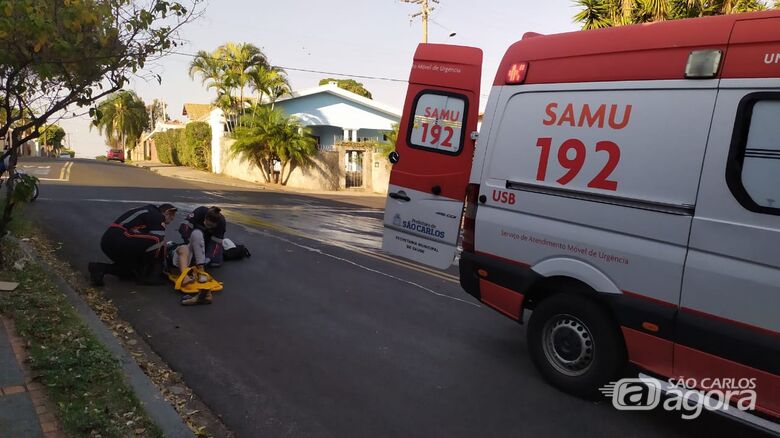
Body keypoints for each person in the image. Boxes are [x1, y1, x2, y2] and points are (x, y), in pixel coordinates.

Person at [88, 203, 178, 286]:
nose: (172, 220)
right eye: (171, 217)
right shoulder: (157, 216)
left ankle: (100, 268)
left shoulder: (147, 211)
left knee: (131, 271)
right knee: (159, 240)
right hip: (119, 237)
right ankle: (150, 276)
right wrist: (158, 266)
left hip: (109, 241)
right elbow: (160, 242)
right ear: (166, 212)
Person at [179, 206, 226, 270]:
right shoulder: (199, 212)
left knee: (215, 261)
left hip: (209, 238)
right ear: (205, 218)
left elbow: (216, 243)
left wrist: (208, 258)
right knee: (191, 256)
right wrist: (189, 241)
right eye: (207, 224)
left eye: (211, 226)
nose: (209, 227)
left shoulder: (221, 223)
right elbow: (184, 227)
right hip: (195, 233)